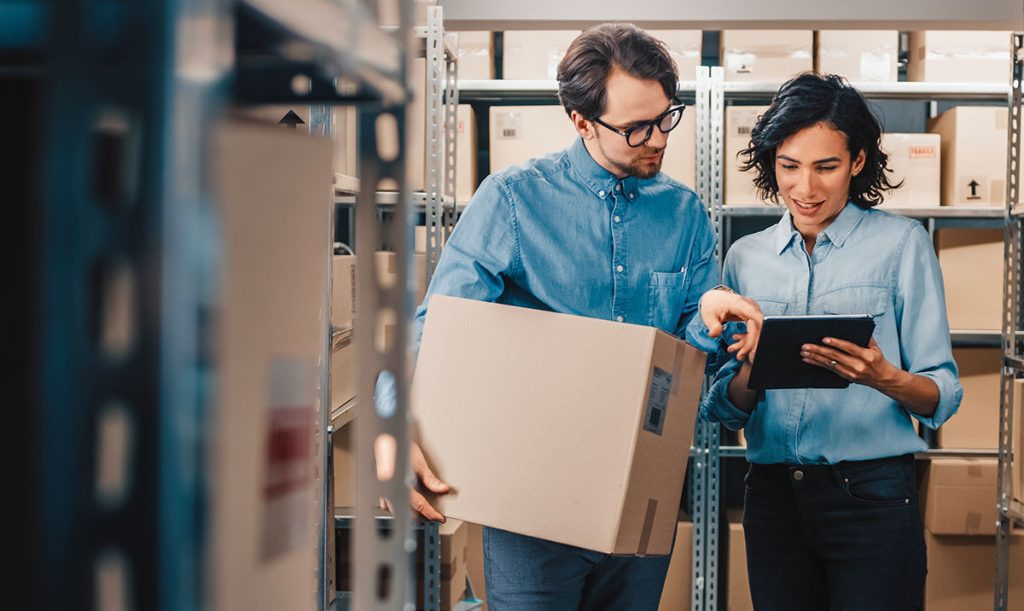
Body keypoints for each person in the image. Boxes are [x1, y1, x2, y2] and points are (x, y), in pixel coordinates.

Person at [376, 23, 763, 611]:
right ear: (581, 121)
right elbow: (436, 328)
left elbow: (685, 361)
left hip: (642, 492)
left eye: (665, 117)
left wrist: (708, 318)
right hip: (534, 500)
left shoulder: (685, 215)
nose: (657, 138)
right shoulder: (511, 201)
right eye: (634, 127)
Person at [700, 73, 963, 611]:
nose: (805, 189)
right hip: (772, 497)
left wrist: (881, 377)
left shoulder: (902, 244)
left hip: (872, 495)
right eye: (789, 166)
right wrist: (752, 366)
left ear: (858, 162)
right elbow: (725, 410)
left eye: (826, 167)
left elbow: (943, 393)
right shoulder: (744, 259)